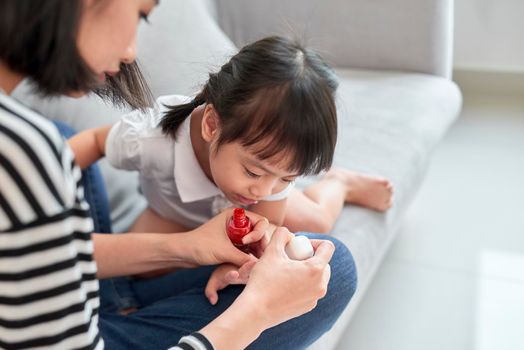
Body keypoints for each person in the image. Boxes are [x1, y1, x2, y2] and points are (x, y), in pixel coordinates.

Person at [0, 1, 357, 350]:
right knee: (333, 268)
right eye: (141, 13)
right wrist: (258, 311)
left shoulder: (26, 147)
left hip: (79, 295)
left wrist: (209, 255)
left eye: (285, 179)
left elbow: (56, 254)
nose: (130, 52)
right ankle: (119, 310)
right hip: (86, 319)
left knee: (311, 239)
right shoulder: (34, 152)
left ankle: (340, 184)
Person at [69, 36, 393, 238]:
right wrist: (47, 171)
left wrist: (241, 254)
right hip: (172, 215)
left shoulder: (269, 176)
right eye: (253, 172)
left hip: (237, 217)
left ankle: (339, 184)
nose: (264, 190)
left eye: (287, 178)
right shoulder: (152, 140)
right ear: (211, 125)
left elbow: (264, 223)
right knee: (139, 270)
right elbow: (96, 141)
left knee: (318, 222)